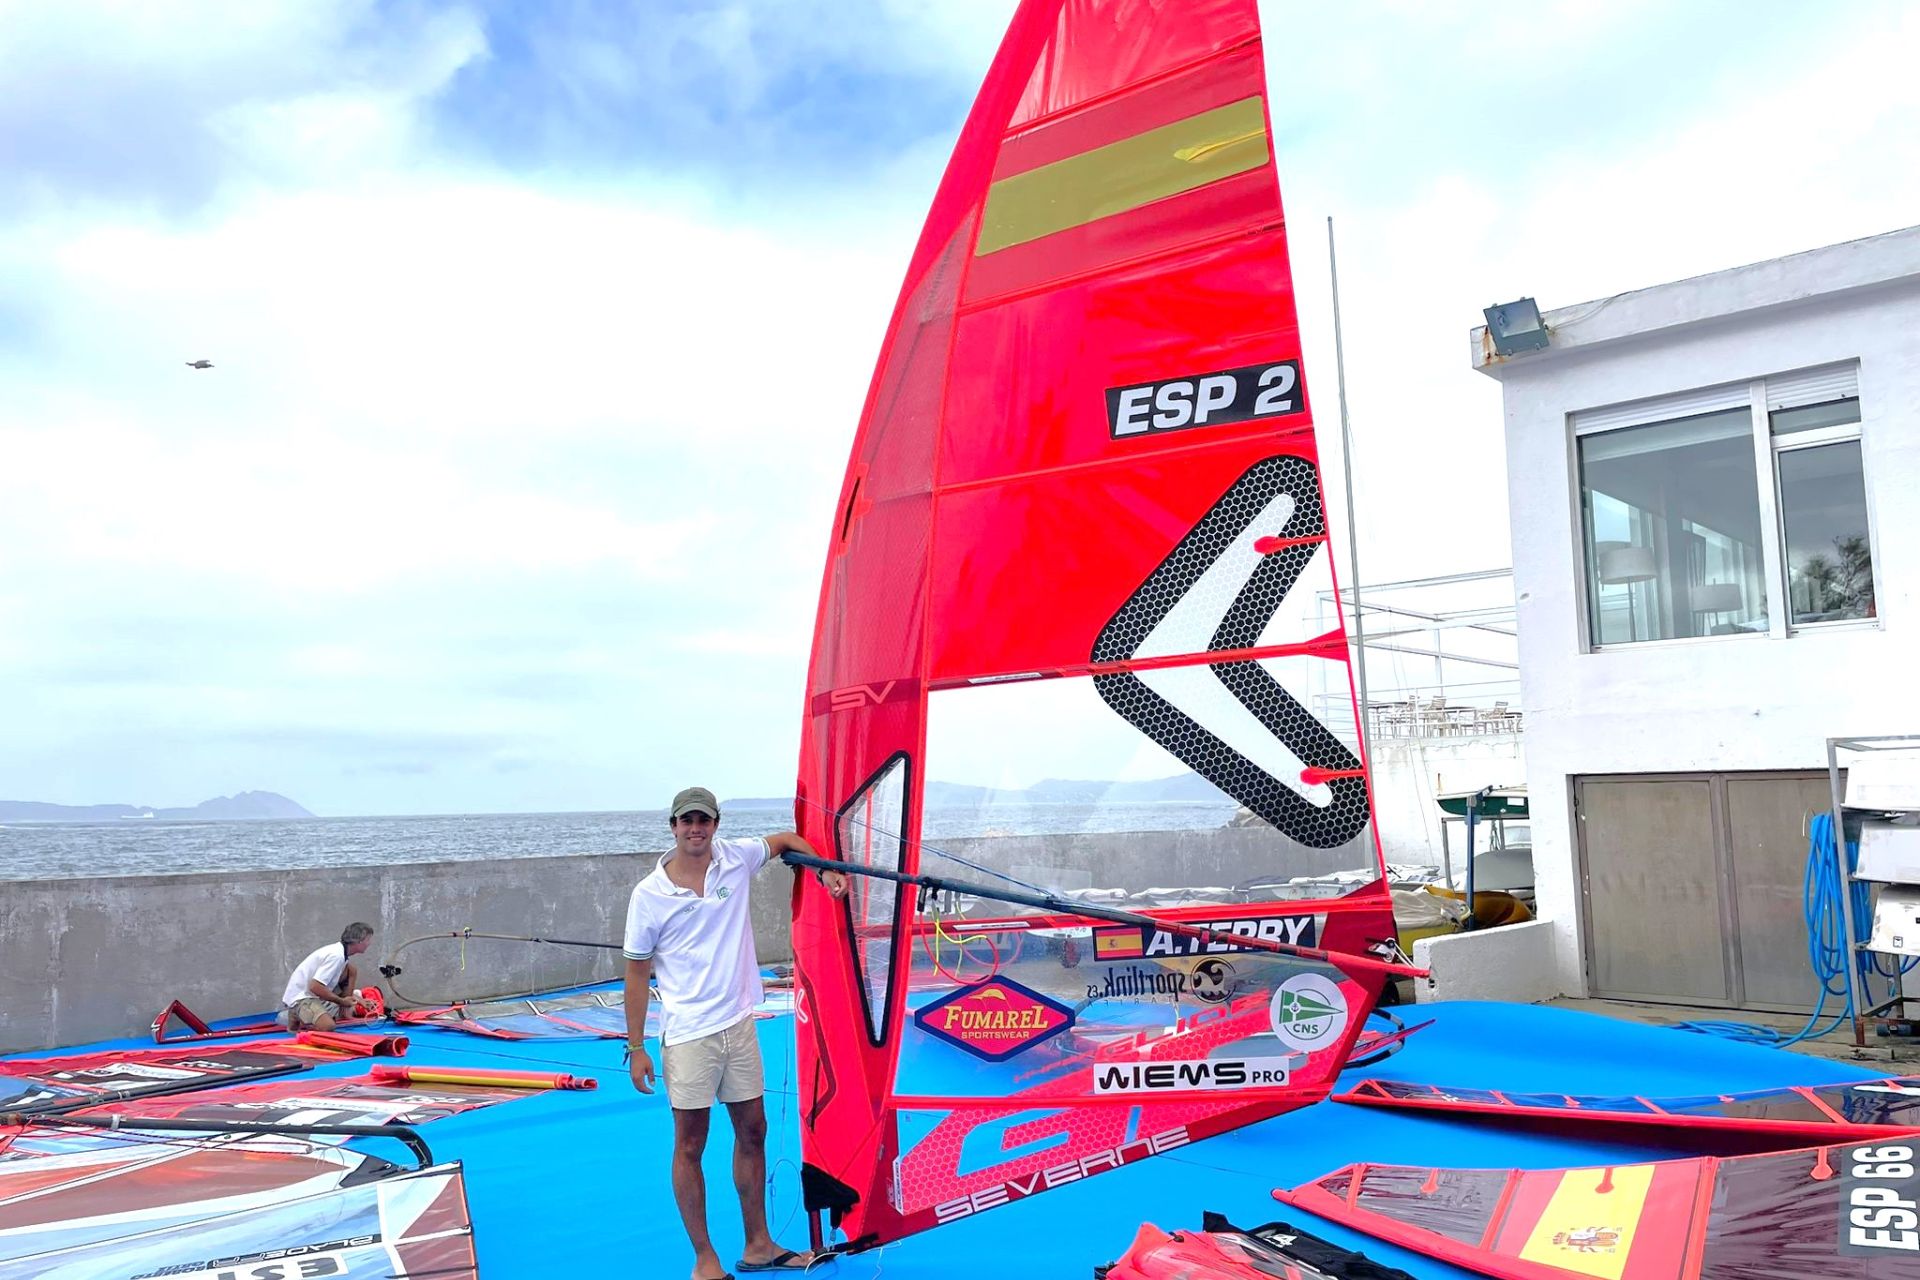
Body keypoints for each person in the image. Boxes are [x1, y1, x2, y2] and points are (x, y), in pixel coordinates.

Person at [624, 786, 848, 1280]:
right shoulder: (649, 894)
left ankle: (759, 1244)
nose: (696, 829)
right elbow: (636, 971)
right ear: (673, 826)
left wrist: (825, 870)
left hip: (739, 1024)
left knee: (753, 1130)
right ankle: (705, 1260)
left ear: (716, 824)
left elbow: (787, 840)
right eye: (687, 821)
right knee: (690, 1145)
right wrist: (636, 1046)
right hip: (688, 1034)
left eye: (703, 820)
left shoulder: (735, 858)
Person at [281, 922, 375, 1032]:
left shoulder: (341, 954)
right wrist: (341, 1001)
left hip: (313, 996)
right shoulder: (336, 956)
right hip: (301, 998)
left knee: (351, 970)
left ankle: (323, 1014)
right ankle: (297, 1015)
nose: (369, 943)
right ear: (359, 941)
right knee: (327, 1026)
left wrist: (360, 1000)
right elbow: (315, 986)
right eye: (368, 940)